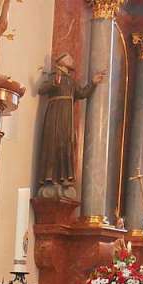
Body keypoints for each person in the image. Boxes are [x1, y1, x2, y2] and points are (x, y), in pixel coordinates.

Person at [35, 52, 104, 198]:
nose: (71, 59)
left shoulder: (71, 81)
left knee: (65, 144)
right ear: (60, 62)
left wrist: (93, 83)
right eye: (68, 57)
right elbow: (41, 90)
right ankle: (51, 178)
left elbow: (82, 93)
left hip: (67, 119)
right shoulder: (54, 76)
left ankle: (64, 178)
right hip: (55, 116)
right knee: (54, 144)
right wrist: (55, 82)